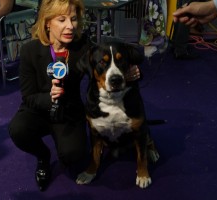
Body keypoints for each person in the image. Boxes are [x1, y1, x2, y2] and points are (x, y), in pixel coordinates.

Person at [8, 0, 141, 192]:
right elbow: (28, 97)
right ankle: (43, 157)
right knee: (18, 130)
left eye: (73, 19)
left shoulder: (83, 47)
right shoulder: (30, 50)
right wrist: (50, 96)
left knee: (74, 156)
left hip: (69, 112)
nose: (70, 26)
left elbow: (108, 55)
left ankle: (65, 145)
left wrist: (129, 71)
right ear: (47, 22)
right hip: (38, 109)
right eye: (62, 20)